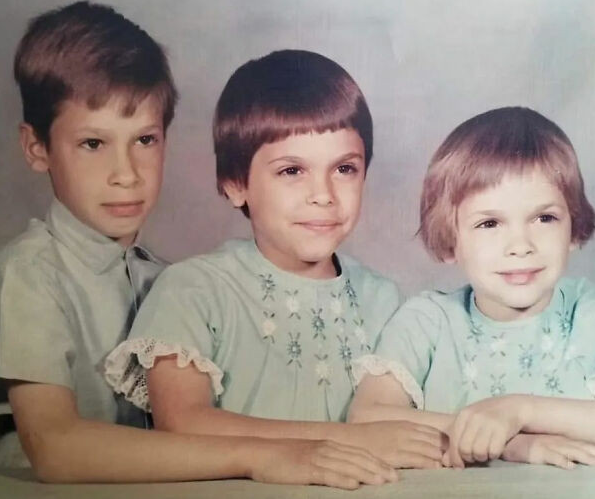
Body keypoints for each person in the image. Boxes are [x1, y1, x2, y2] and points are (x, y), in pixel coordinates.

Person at [0, 3, 395, 489]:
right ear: (37, 147)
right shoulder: (27, 277)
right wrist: (267, 456)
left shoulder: (165, 278)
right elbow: (54, 449)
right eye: (93, 144)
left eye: (145, 140)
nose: (126, 174)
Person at [105, 49, 445, 471]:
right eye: (292, 171)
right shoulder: (193, 289)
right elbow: (183, 423)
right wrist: (354, 440)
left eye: (344, 169)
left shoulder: (383, 299)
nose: (323, 195)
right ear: (236, 184)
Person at [348, 106, 595, 469]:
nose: (520, 245)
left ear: (574, 228)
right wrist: (511, 442)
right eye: (490, 223)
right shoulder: (427, 321)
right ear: (450, 241)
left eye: (544, 218)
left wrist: (517, 410)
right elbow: (367, 416)